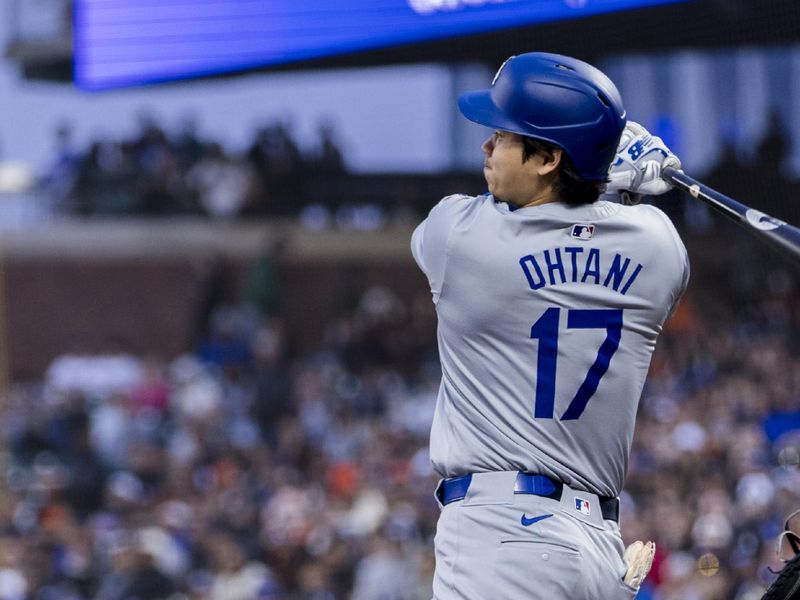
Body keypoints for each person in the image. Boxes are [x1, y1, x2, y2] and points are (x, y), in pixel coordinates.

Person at [410, 52, 689, 599]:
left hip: (501, 539)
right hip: (598, 550)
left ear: (547, 159)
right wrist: (618, 180)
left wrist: (614, 179)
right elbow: (610, 223)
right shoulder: (658, 247)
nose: (486, 146)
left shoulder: (459, 237)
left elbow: (517, 223)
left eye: (503, 135)